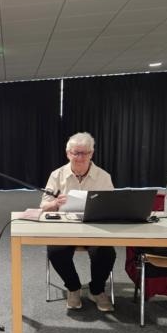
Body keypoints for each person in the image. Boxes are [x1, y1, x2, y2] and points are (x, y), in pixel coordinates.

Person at [40, 132, 115, 312]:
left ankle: (97, 290)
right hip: (66, 228)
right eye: (76, 153)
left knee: (106, 253)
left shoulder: (103, 176)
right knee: (56, 251)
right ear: (68, 154)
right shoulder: (57, 175)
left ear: (91, 154)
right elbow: (43, 205)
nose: (80, 157)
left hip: (95, 227)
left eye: (85, 153)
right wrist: (55, 203)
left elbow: (113, 205)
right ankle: (73, 287)